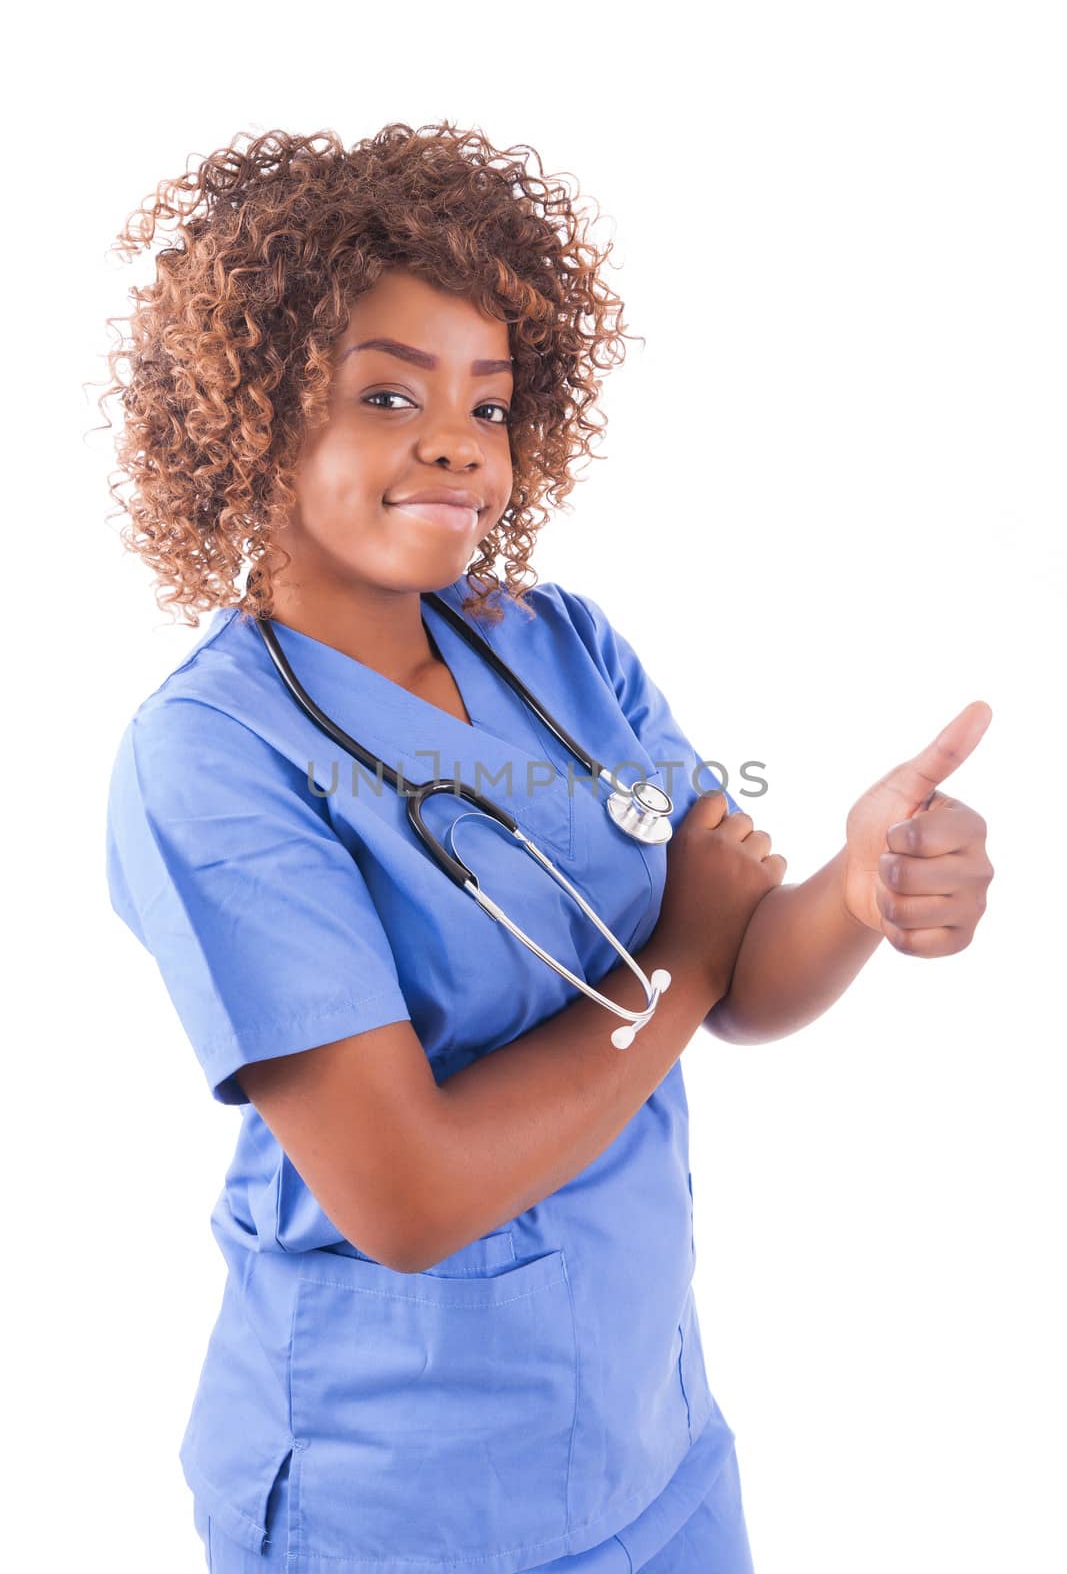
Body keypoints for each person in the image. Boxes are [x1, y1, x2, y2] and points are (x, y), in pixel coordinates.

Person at [102, 123, 994, 1574]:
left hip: (652, 1449)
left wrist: (858, 883)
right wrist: (690, 952)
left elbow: (751, 973)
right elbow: (409, 1195)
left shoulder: (563, 647)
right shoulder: (211, 758)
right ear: (254, 414)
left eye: (490, 402)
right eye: (388, 392)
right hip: (398, 1488)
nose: (458, 440)